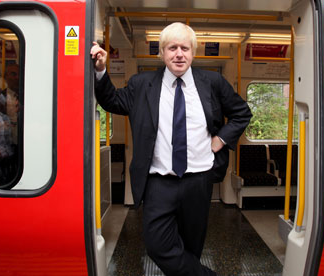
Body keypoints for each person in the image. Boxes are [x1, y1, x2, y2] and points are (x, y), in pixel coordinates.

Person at [91, 22, 252, 275]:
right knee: (157, 246)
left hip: (199, 180)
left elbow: (242, 114)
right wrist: (100, 70)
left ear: (193, 52)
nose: (179, 54)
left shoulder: (212, 82)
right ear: (162, 53)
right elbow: (111, 100)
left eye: (185, 48)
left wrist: (220, 140)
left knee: (191, 248)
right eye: (172, 48)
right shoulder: (142, 84)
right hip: (158, 181)